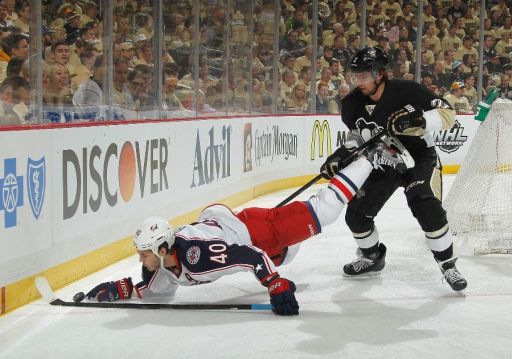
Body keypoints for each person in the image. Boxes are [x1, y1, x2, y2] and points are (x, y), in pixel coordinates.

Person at [84, 139, 409, 315]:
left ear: (163, 249)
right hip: (246, 230)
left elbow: (249, 255)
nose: (141, 260)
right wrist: (122, 289)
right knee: (288, 250)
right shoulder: (167, 263)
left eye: (144, 254)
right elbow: (159, 290)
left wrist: (274, 284)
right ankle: (311, 208)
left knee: (324, 213)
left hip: (257, 233)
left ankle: (373, 155)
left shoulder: (197, 256)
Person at [321, 47, 467, 292]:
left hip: (418, 158)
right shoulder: (352, 102)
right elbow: (359, 136)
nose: (359, 81)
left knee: (423, 203)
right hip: (384, 161)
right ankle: (372, 258)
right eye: (356, 76)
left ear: (380, 74)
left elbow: (447, 114)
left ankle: (447, 264)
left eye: (365, 76)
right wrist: (340, 156)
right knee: (356, 215)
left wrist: (418, 120)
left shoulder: (407, 90)